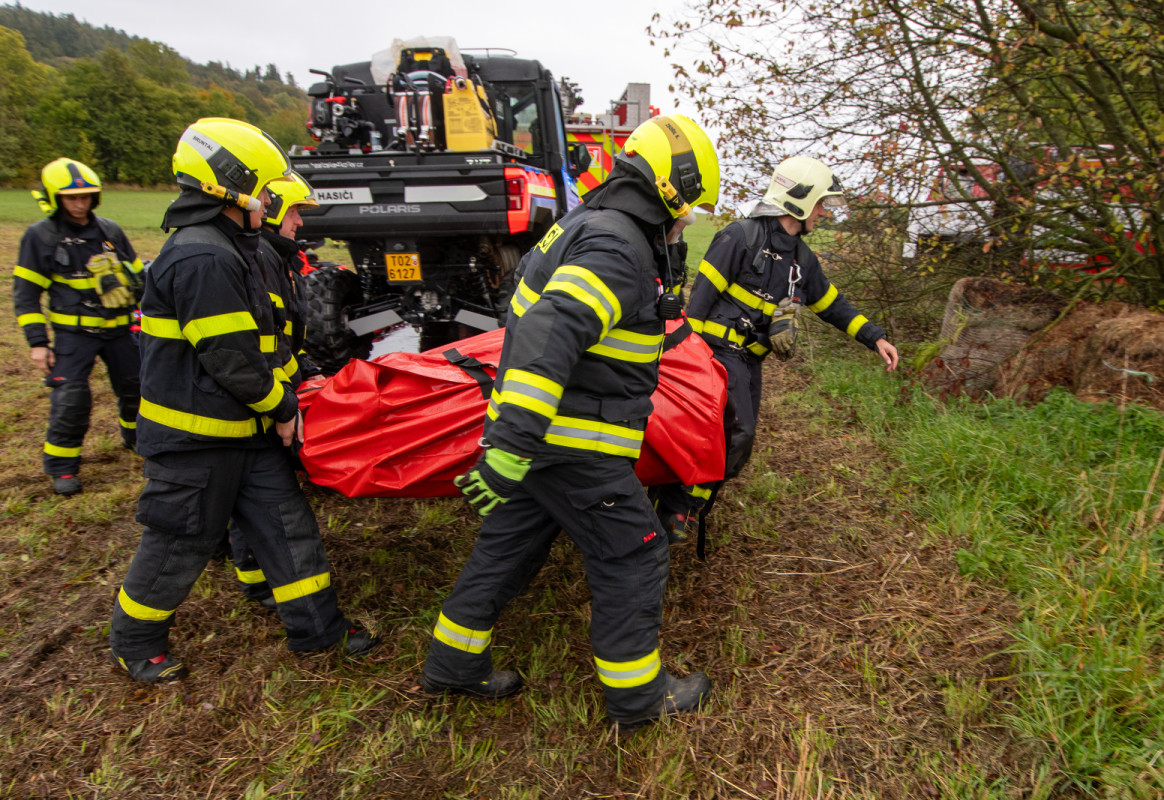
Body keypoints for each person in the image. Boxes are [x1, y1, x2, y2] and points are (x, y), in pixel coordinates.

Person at [420, 114, 722, 730]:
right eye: (689, 204)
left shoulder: (587, 223)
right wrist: (510, 445)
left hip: (545, 438)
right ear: (669, 189)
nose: (688, 218)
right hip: (571, 441)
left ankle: (452, 666)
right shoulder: (618, 246)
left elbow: (554, 321)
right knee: (635, 554)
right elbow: (547, 329)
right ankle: (640, 699)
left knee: (508, 548)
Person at [109, 117, 380, 683]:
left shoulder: (234, 249)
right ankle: (135, 644)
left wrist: (285, 400)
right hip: (196, 441)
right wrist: (283, 408)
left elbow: (263, 345)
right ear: (229, 185)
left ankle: (318, 630)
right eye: (263, 187)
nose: (273, 202)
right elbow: (231, 359)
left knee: (288, 530)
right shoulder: (203, 257)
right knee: (178, 545)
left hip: (244, 433)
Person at [651, 156, 900, 542]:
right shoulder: (739, 237)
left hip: (751, 361)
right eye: (820, 204)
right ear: (800, 200)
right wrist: (689, 363)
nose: (823, 214)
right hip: (715, 354)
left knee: (737, 444)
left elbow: (833, 305)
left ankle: (683, 500)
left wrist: (875, 337)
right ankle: (677, 506)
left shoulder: (803, 260)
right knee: (734, 433)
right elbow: (699, 302)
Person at [14, 158, 144, 496]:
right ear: (55, 198)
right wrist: (38, 342)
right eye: (72, 198)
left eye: (86, 197)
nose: (79, 203)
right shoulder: (40, 237)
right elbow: (26, 295)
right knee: (71, 401)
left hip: (120, 332)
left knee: (137, 389)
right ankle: (63, 466)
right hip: (74, 337)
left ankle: (136, 439)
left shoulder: (110, 231)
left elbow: (138, 278)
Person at [227, 174, 323, 608]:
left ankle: (253, 572)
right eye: (294, 210)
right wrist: (289, 395)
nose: (299, 221)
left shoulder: (279, 258)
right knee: (258, 493)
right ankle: (256, 578)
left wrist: (307, 373)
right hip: (258, 399)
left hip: (272, 390)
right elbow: (264, 344)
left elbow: (286, 339)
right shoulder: (262, 259)